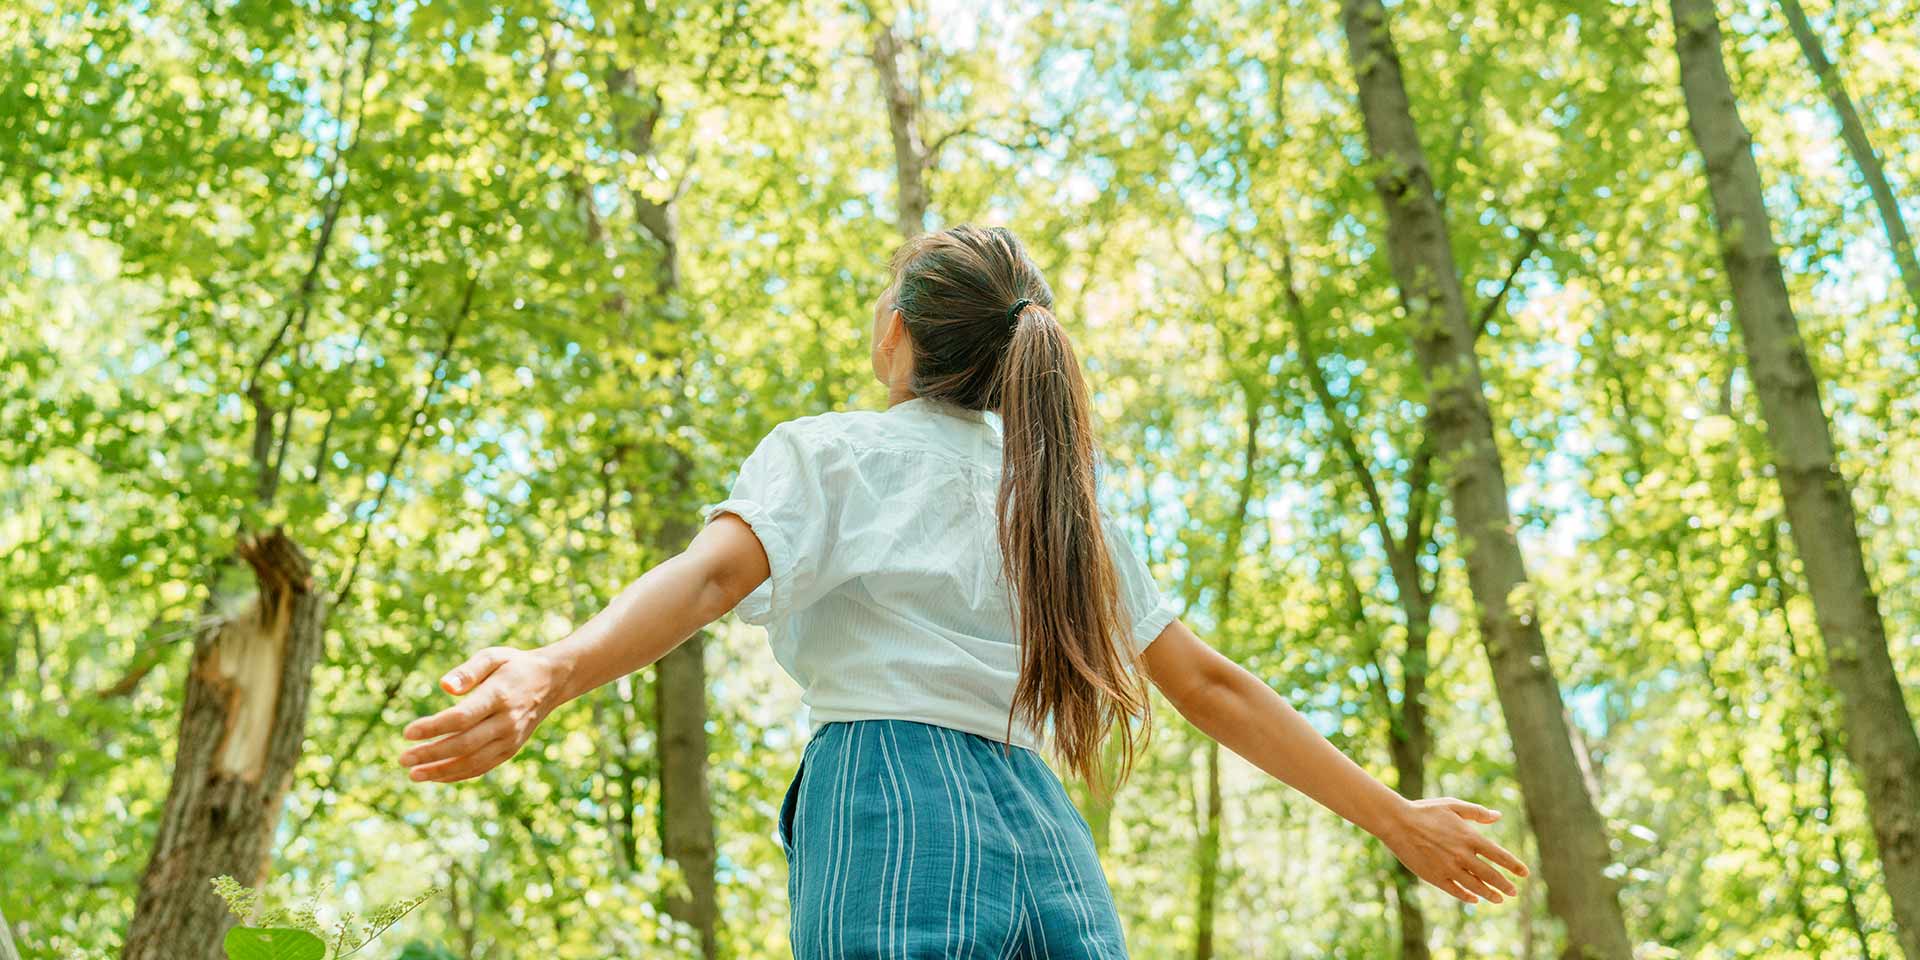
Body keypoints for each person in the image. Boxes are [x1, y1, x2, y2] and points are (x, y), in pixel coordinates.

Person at [399, 224, 1528, 957]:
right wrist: (1394, 816)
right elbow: (1211, 684)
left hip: (888, 796)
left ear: (898, 331)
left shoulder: (835, 451)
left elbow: (704, 583)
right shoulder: (1062, 505)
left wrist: (553, 667)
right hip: (1042, 825)